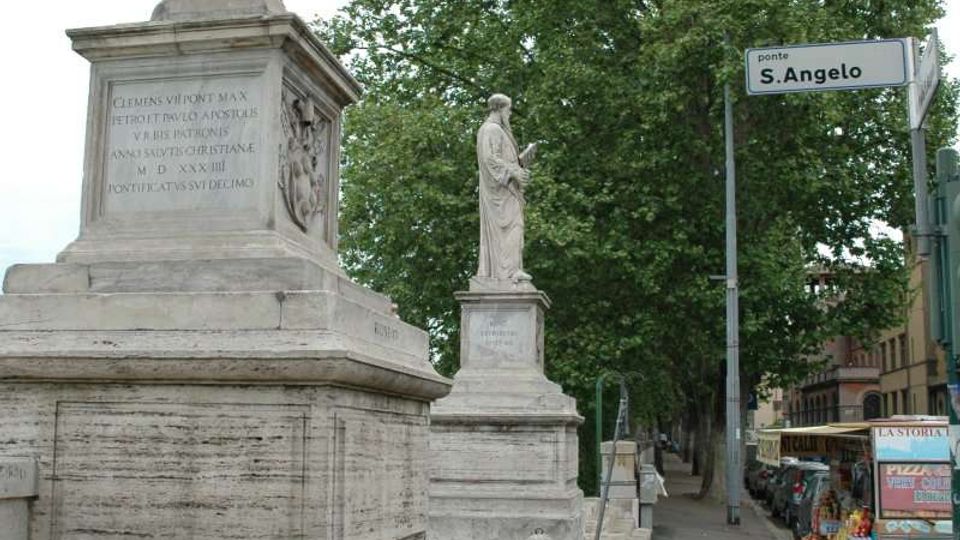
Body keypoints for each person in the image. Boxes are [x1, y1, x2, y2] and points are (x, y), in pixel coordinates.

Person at [476, 94, 536, 284]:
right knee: (513, 227)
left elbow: (500, 159)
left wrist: (520, 163)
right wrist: (514, 172)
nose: (509, 114)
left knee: (515, 227)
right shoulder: (492, 129)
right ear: (500, 109)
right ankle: (509, 272)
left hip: (506, 189)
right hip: (501, 192)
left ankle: (511, 270)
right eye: (508, 110)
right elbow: (490, 159)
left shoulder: (495, 130)